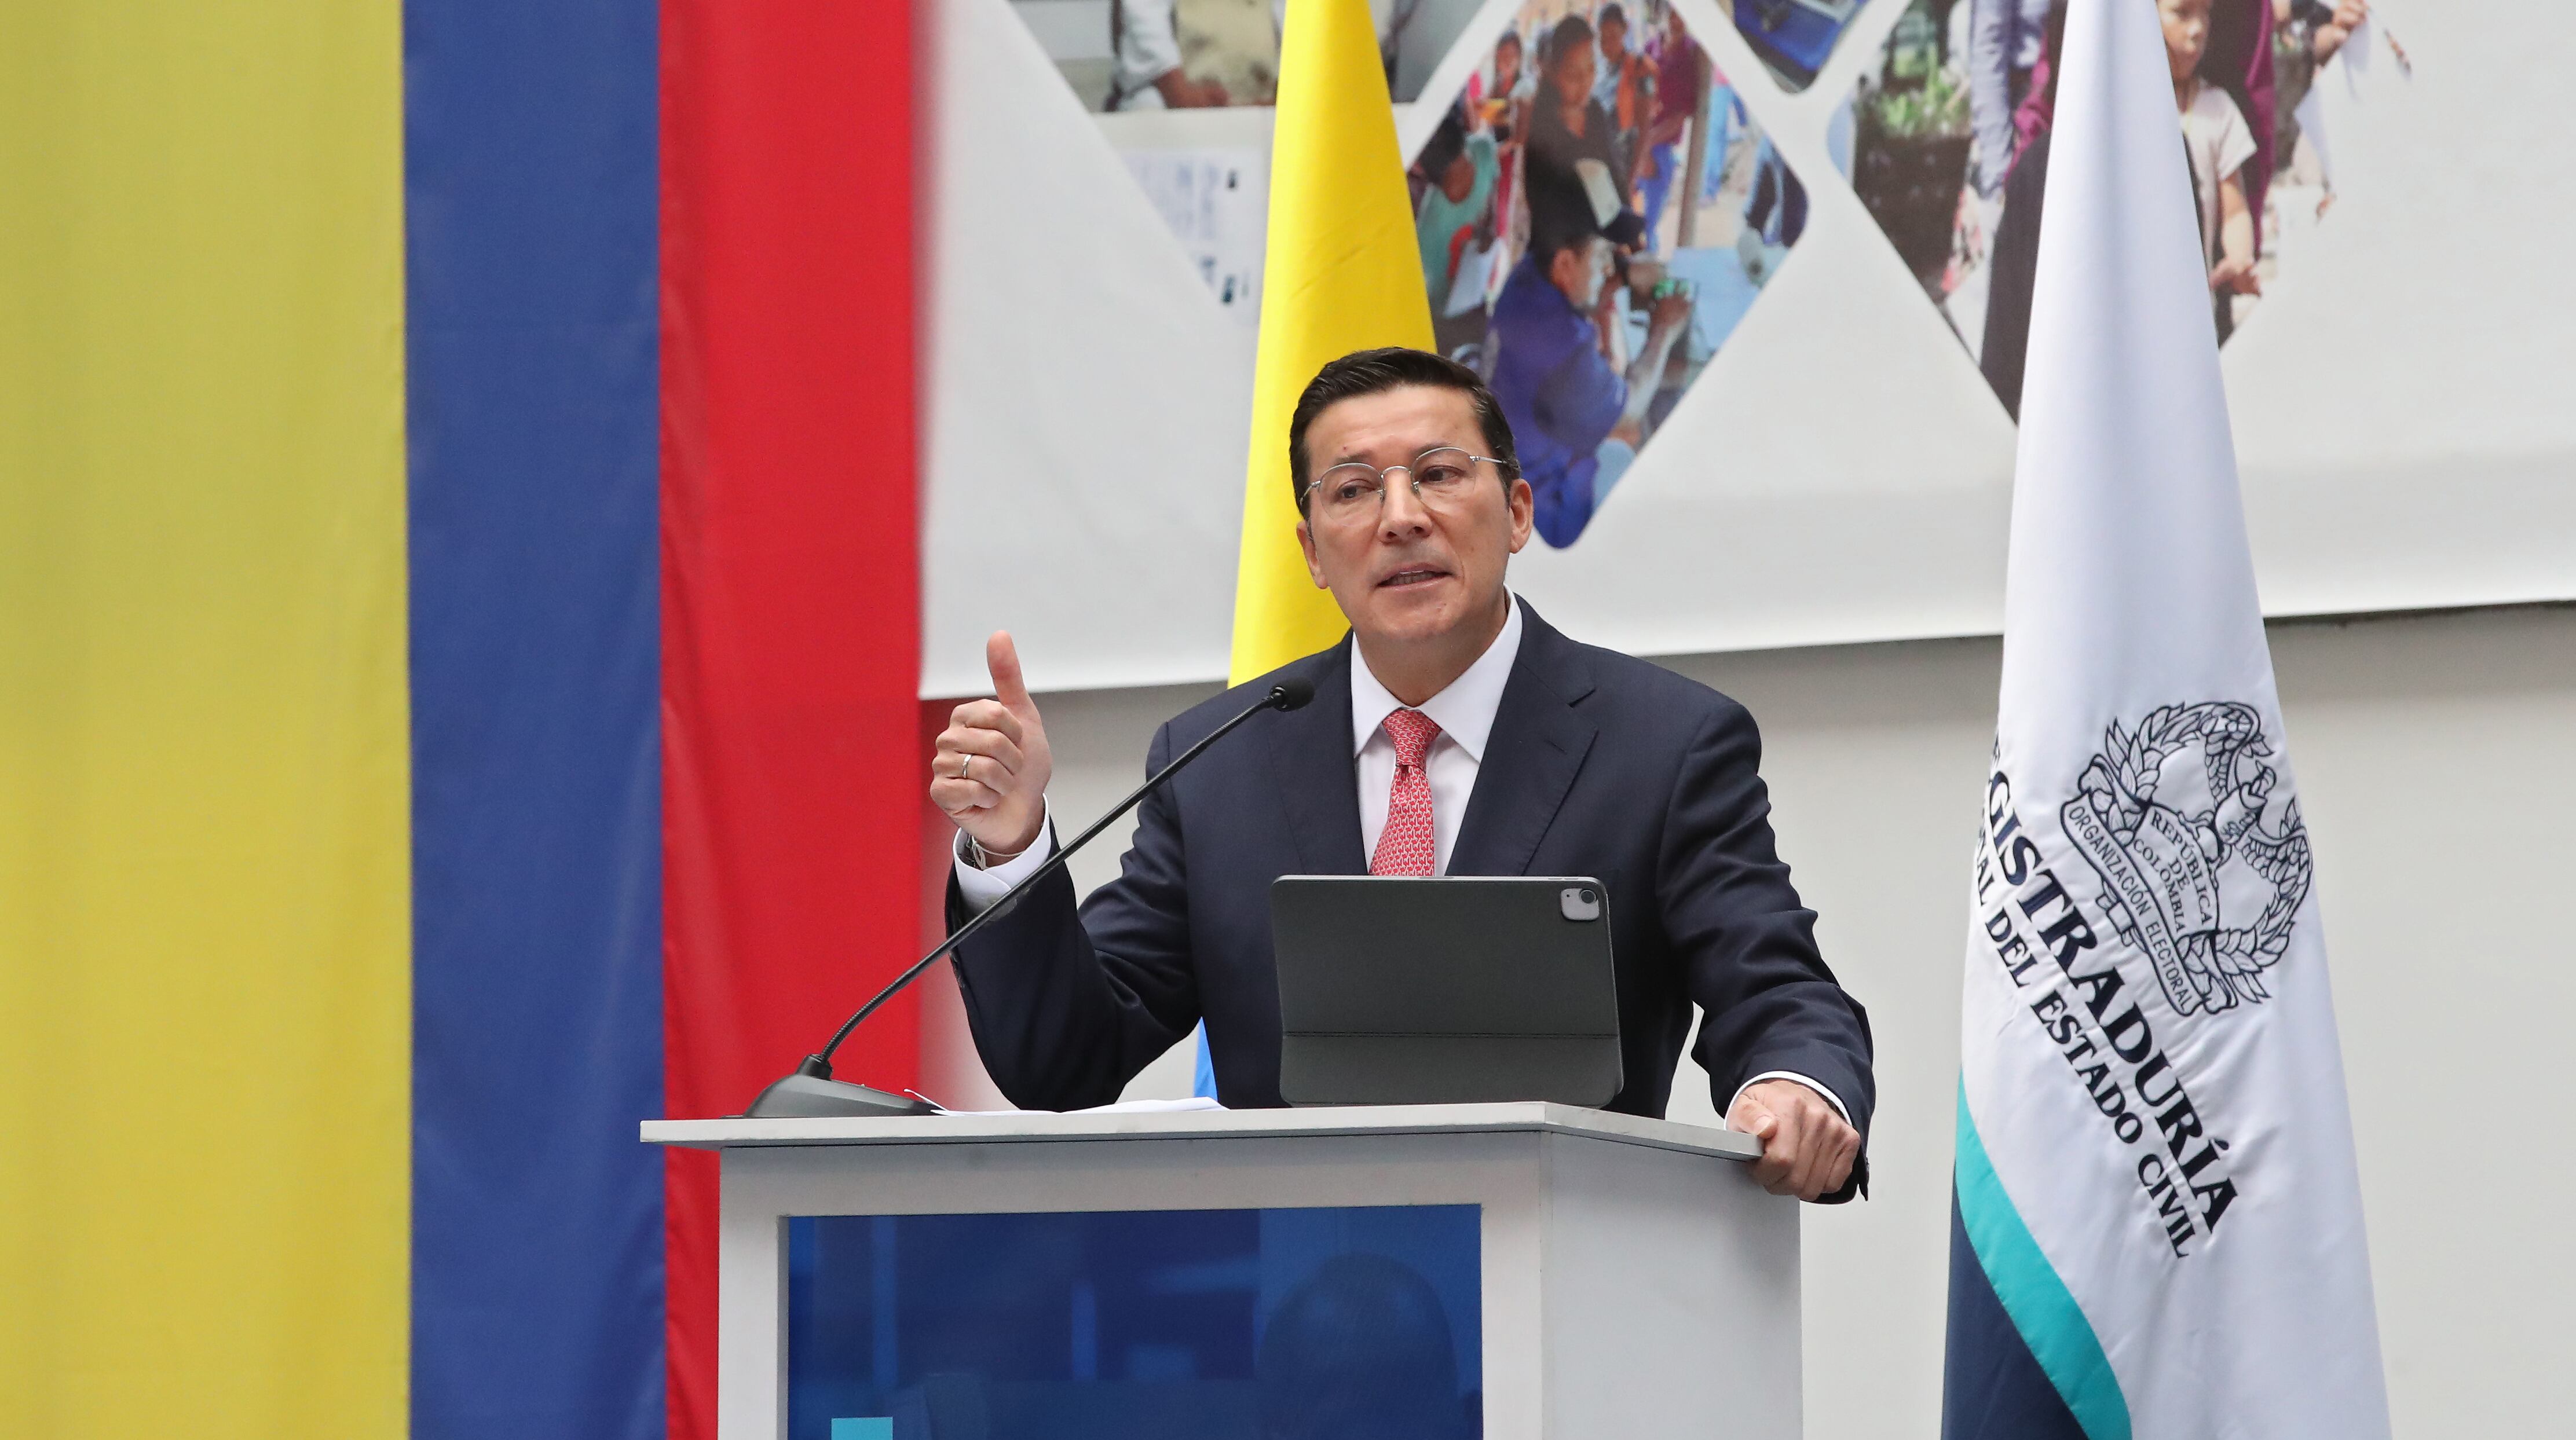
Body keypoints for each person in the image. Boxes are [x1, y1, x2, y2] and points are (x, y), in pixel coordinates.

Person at [932, 347, 1872, 1204]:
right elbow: (1066, 1058)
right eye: (1351, 490)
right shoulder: (1220, 759)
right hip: (1292, 1288)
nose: (1400, 518)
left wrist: (1792, 1083)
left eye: (1438, 474)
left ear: (1517, 512)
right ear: (1311, 552)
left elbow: (1776, 987)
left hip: (1566, 1266)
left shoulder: (1662, 744)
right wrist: (1009, 844)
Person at [1488, 221, 1692, 547]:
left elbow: (1579, 290)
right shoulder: (1563, 345)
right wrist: (1664, 330)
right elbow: (1628, 413)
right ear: (1565, 264)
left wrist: (1623, 274)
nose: (1609, 268)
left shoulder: (1529, 278)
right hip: (1546, 508)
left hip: (1525, 463)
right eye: (1601, 257)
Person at [2160, 0, 2261, 334]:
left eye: (2207, 12)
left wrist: (2240, 258)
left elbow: (2235, 211)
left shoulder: (2217, 109)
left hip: (2196, 318)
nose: (2198, 29)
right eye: (2182, 13)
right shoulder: (2118, 110)